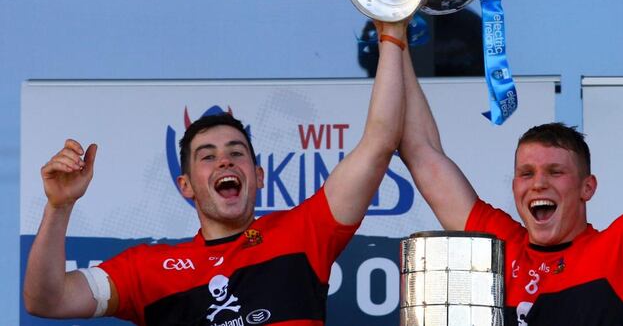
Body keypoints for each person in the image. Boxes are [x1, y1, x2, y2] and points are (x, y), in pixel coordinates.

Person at [23, 20, 409, 325]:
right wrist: (59, 207)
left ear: (258, 175)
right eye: (207, 156)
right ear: (185, 186)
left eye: (235, 152)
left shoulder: (303, 232)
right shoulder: (146, 269)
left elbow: (379, 143)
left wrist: (391, 32)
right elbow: (46, 301)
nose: (225, 161)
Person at [398, 0, 623, 325]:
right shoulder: (499, 247)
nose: (538, 184)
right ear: (514, 186)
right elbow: (421, 151)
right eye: (527, 173)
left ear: (588, 187)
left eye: (555, 172)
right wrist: (394, 30)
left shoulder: (620, 254)